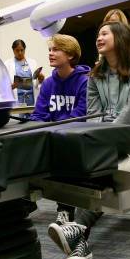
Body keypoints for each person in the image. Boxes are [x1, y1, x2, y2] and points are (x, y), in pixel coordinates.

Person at [47, 21, 130, 259]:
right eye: (98, 33)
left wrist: (104, 137)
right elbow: (93, 114)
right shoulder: (95, 73)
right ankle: (80, 236)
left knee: (102, 157)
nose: (99, 37)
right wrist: (95, 136)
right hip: (104, 135)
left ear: (121, 36)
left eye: (104, 33)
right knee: (81, 152)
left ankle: (78, 229)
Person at [30, 34, 90, 227]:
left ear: (71, 55)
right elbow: (39, 115)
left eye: (56, 49)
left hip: (74, 137)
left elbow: (80, 116)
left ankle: (64, 210)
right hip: (54, 135)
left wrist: (53, 127)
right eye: (50, 50)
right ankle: (24, 202)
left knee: (63, 152)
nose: (50, 53)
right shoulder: (48, 83)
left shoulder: (84, 82)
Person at [4, 39, 44, 106]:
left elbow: (36, 84)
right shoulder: (7, 64)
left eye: (22, 50)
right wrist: (12, 86)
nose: (20, 53)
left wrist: (40, 80)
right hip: (17, 100)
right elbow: (3, 87)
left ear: (24, 50)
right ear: (13, 50)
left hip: (31, 99)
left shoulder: (32, 63)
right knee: (18, 116)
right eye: (17, 50)